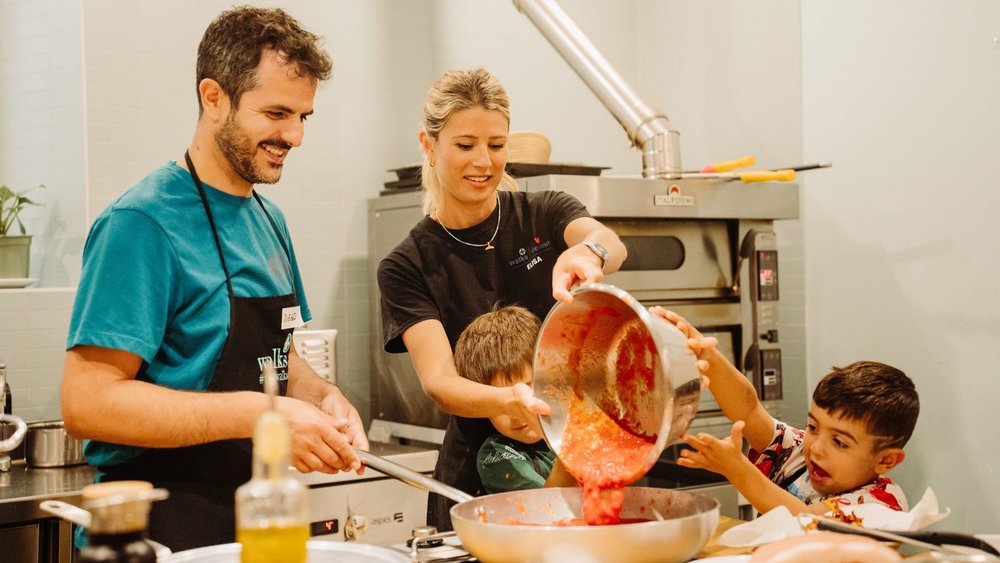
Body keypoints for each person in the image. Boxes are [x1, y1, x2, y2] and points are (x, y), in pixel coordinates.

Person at [60, 7, 368, 551]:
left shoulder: (270, 220)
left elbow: (275, 356)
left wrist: (322, 397)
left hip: (254, 515)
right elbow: (87, 404)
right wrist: (260, 414)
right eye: (276, 112)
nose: (293, 136)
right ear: (213, 97)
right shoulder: (141, 224)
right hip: (158, 522)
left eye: (304, 116)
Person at [377, 67, 628, 529]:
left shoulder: (545, 212)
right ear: (429, 146)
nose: (483, 161)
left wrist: (588, 253)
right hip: (478, 482)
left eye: (496, 145)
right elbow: (439, 381)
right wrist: (508, 400)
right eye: (465, 144)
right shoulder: (407, 265)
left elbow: (609, 241)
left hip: (575, 453)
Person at [662, 309, 920, 516]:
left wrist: (738, 469)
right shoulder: (796, 455)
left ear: (886, 460)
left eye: (839, 442)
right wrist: (709, 357)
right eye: (813, 427)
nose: (816, 448)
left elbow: (807, 524)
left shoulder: (881, 506)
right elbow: (749, 410)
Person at [453, 305, 576, 493]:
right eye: (504, 401)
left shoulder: (569, 420)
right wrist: (573, 448)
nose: (518, 412)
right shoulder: (496, 455)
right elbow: (545, 510)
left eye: (529, 386)